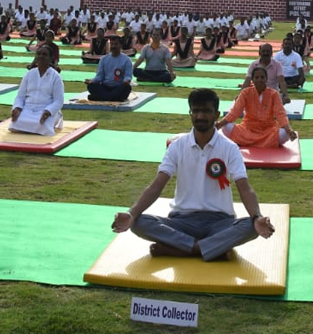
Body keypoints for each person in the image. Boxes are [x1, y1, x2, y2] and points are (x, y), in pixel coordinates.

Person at [110, 88, 275, 261]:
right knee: (138, 222)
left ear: (216, 114)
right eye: (196, 111)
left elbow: (245, 188)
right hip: (182, 222)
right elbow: (156, 186)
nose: (200, 116)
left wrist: (257, 217)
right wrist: (131, 213)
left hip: (220, 222)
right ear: (190, 113)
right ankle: (209, 248)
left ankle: (183, 248)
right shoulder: (177, 146)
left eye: (206, 111)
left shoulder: (230, 148)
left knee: (250, 226)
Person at [218, 66, 298, 148]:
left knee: (284, 134)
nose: (259, 80)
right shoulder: (245, 92)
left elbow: (280, 114)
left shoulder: (274, 94)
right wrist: (220, 124)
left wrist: (289, 130)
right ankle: (263, 144)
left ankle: (248, 142)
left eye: (262, 77)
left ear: (266, 79)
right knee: (226, 127)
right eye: (256, 77)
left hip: (268, 131)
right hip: (248, 129)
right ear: (252, 80)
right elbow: (235, 112)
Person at [10, 45, 64, 135]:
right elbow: (20, 96)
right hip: (28, 108)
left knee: (44, 125)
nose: (41, 56)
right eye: (38, 54)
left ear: (50, 58)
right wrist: (17, 108)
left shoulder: (56, 77)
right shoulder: (29, 74)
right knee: (16, 123)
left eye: (44, 54)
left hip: (46, 110)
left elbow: (59, 101)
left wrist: (48, 112)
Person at [85, 35, 133, 101]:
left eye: (116, 44)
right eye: (112, 44)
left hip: (118, 86)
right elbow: (100, 76)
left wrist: (127, 80)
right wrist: (92, 81)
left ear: (121, 45)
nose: (113, 46)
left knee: (126, 88)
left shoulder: (127, 60)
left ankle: (101, 97)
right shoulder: (103, 59)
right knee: (91, 86)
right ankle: (113, 97)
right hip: (105, 87)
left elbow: (128, 76)